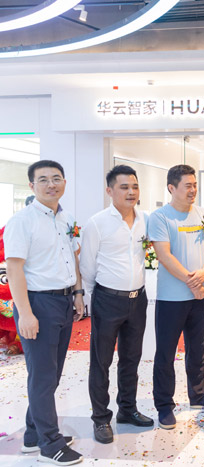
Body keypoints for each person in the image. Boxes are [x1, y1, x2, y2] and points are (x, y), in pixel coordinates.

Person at [5, 160, 84, 465]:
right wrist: (25, 314)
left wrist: (78, 293)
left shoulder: (67, 218)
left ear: (64, 182)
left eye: (56, 178)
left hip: (63, 301)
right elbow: (14, 269)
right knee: (42, 376)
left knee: (51, 374)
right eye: (43, 180)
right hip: (37, 303)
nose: (51, 184)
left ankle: (32, 434)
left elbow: (73, 258)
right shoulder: (22, 221)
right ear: (32, 186)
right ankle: (50, 443)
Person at [80, 165, 153, 444]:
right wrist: (90, 299)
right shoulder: (97, 223)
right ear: (109, 191)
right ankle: (100, 418)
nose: (131, 192)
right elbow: (87, 266)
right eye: (124, 187)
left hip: (138, 299)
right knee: (101, 361)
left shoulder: (145, 219)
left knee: (131, 358)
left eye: (135, 186)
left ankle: (127, 409)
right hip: (107, 300)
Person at [148, 164, 204, 431]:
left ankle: (198, 395)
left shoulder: (203, 214)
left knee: (197, 349)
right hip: (171, 298)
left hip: (200, 295)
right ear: (172, 188)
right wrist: (192, 282)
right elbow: (164, 255)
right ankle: (164, 405)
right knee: (166, 353)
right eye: (187, 185)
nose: (193, 190)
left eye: (195, 185)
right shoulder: (160, 217)